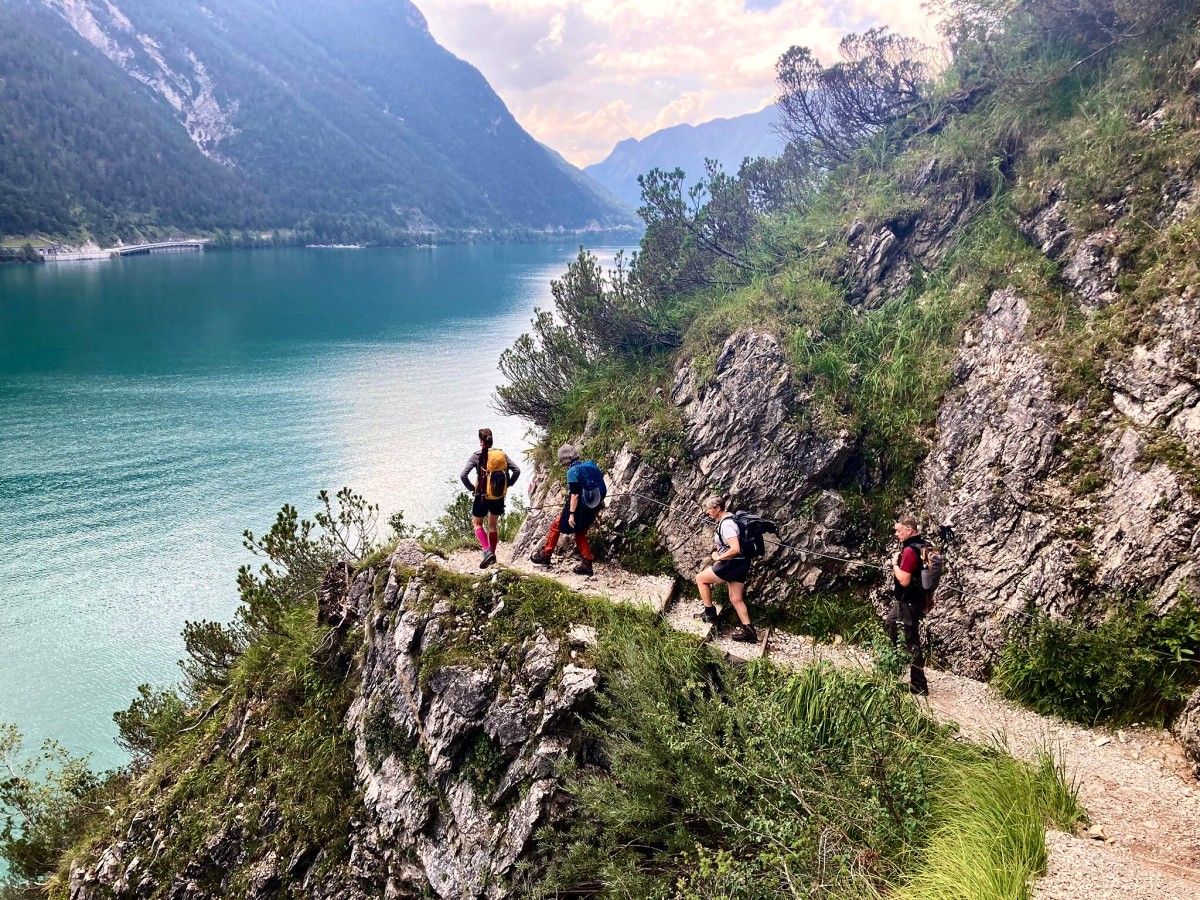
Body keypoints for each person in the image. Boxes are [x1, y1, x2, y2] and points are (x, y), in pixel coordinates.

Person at [529, 444, 603, 576]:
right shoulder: (590, 465)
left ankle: (546, 555)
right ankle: (587, 564)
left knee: (556, 525)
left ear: (564, 460)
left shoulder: (572, 471)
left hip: (579, 506)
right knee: (580, 530)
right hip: (593, 504)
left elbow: (574, 495)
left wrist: (571, 514)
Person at [695, 496, 757, 643]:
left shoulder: (727, 525)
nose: (707, 512)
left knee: (700, 579)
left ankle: (710, 613)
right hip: (742, 563)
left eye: (709, 509)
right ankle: (750, 633)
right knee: (736, 599)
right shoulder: (730, 517)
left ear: (718, 508)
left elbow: (735, 548)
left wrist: (719, 557)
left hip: (732, 564)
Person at [460, 428, 520, 568]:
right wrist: (508, 484)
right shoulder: (501, 454)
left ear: (481, 441)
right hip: (498, 495)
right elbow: (517, 470)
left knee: (477, 524)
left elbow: (463, 476)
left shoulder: (477, 455)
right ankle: (492, 554)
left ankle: (487, 551)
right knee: (493, 525)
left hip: (481, 495)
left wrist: (472, 488)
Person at [886, 513, 929, 695]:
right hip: (913, 600)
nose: (896, 534)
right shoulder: (923, 545)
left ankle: (919, 685)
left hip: (909, 601)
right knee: (890, 623)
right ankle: (891, 665)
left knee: (911, 641)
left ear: (909, 530)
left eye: (899, 531)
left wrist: (894, 564)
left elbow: (904, 580)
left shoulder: (911, 551)